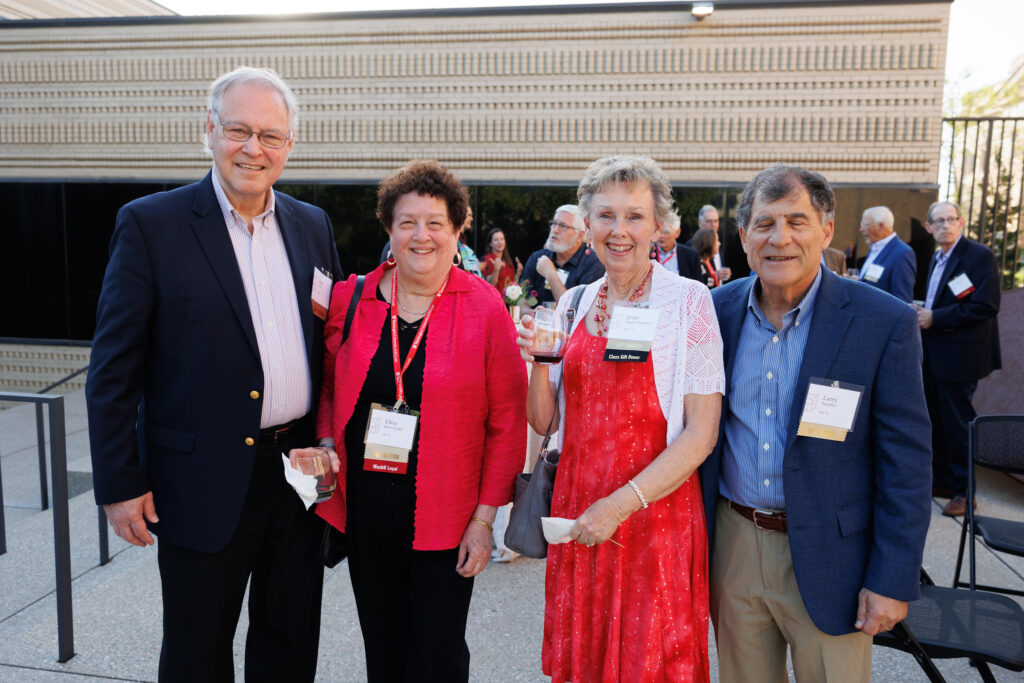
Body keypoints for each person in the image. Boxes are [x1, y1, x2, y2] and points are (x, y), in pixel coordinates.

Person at [85, 66, 343, 681]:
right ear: (209, 131)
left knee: (289, 641)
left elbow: (330, 342)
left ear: (289, 146)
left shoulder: (313, 225)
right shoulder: (152, 224)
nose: (254, 149)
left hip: (297, 477)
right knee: (197, 651)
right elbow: (113, 368)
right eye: (239, 130)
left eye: (271, 136)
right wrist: (119, 482)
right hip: (199, 481)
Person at [700, 163, 932, 682]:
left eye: (796, 222)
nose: (779, 239)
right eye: (764, 224)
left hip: (836, 557)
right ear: (742, 236)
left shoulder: (882, 322)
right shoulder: (714, 312)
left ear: (826, 230)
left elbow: (907, 464)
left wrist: (892, 578)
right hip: (734, 544)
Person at [306, 160, 527, 681]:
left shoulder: (485, 307)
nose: (421, 235)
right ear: (389, 229)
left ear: (457, 229)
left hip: (448, 516)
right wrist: (322, 441)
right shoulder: (351, 298)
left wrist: (483, 520)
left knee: (438, 654)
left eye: (435, 222)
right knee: (382, 649)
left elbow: (508, 421)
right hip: (368, 510)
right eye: (407, 222)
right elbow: (328, 385)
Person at [519, 155, 725, 681]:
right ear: (587, 224)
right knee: (587, 660)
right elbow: (544, 423)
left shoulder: (690, 302)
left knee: (648, 660)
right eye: (606, 215)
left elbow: (702, 434)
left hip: (653, 516)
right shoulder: (576, 303)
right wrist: (539, 366)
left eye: (635, 216)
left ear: (659, 226)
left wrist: (619, 505)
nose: (619, 230)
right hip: (578, 510)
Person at [917, 200, 1001, 516]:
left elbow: (985, 305)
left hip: (962, 355)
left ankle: (966, 493)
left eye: (950, 219)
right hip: (935, 352)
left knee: (958, 424)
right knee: (935, 420)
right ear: (928, 227)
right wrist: (924, 312)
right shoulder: (937, 258)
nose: (945, 226)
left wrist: (935, 317)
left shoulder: (978, 256)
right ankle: (941, 481)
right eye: (938, 221)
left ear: (961, 222)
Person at [520, 204, 605, 306]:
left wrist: (551, 275)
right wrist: (533, 314)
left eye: (563, 226)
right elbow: (520, 300)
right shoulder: (537, 258)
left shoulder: (594, 263)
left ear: (580, 235)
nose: (555, 230)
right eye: (554, 223)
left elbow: (577, 310)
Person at [857, 205, 916, 303]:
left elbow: (902, 301)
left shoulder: (903, 253)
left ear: (880, 226)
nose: (861, 229)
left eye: (865, 225)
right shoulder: (875, 247)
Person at [650, 210, 704, 281]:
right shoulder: (647, 254)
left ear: (677, 233)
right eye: (659, 231)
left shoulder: (691, 256)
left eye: (666, 232)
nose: (661, 236)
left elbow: (698, 287)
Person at [695, 203, 731, 283]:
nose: (713, 225)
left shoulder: (717, 242)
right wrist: (714, 275)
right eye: (709, 221)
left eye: (716, 221)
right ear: (700, 223)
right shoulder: (692, 246)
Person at [480, 227, 523, 292]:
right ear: (490, 243)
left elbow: (512, 284)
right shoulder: (487, 259)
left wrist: (518, 273)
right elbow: (489, 285)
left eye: (502, 239)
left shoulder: (508, 260)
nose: (499, 242)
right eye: (496, 240)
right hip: (495, 300)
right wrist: (496, 270)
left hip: (508, 301)